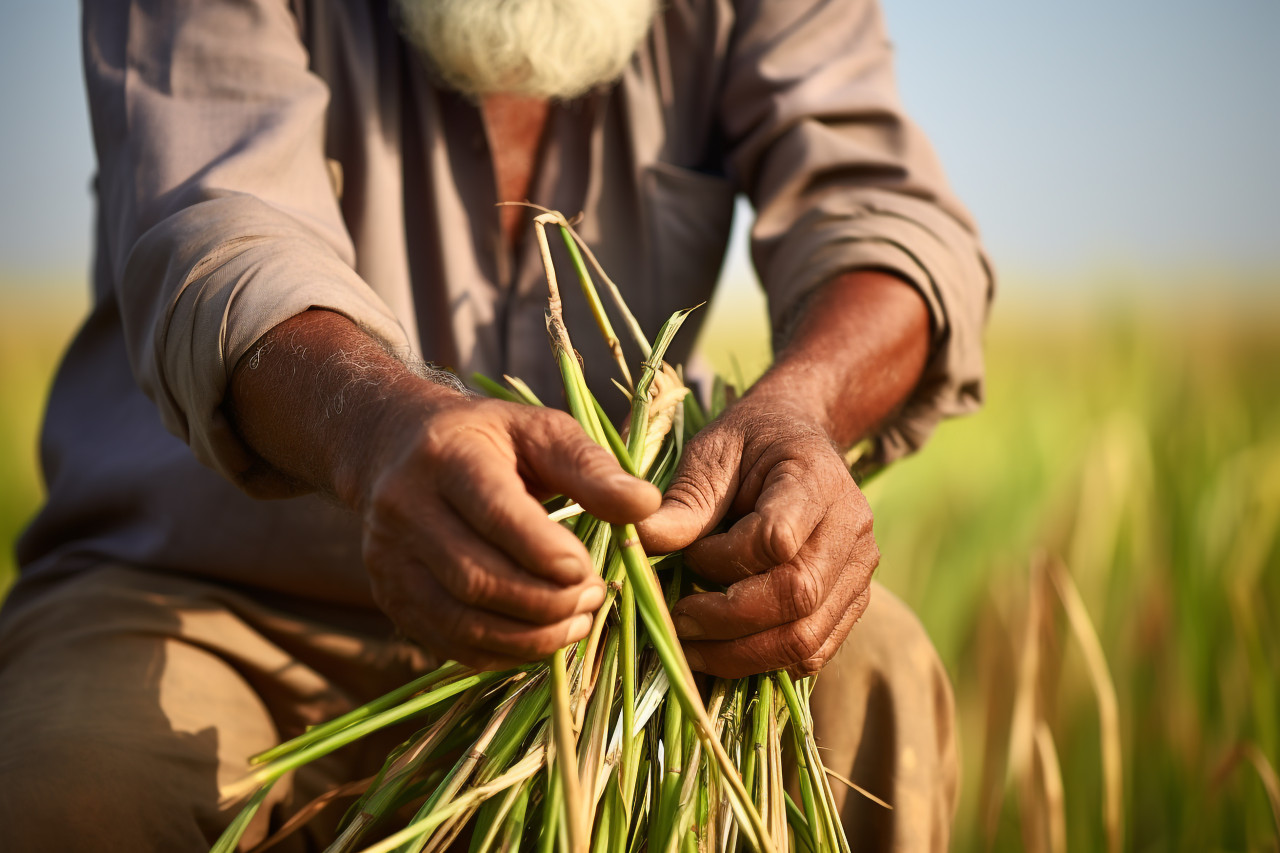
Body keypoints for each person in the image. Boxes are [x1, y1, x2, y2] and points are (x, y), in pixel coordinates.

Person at [0, 0, 991, 849]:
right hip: (209, 600)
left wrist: (803, 402)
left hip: (609, 615)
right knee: (75, 784)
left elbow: (880, 209)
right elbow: (215, 234)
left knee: (870, 679)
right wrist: (377, 429)